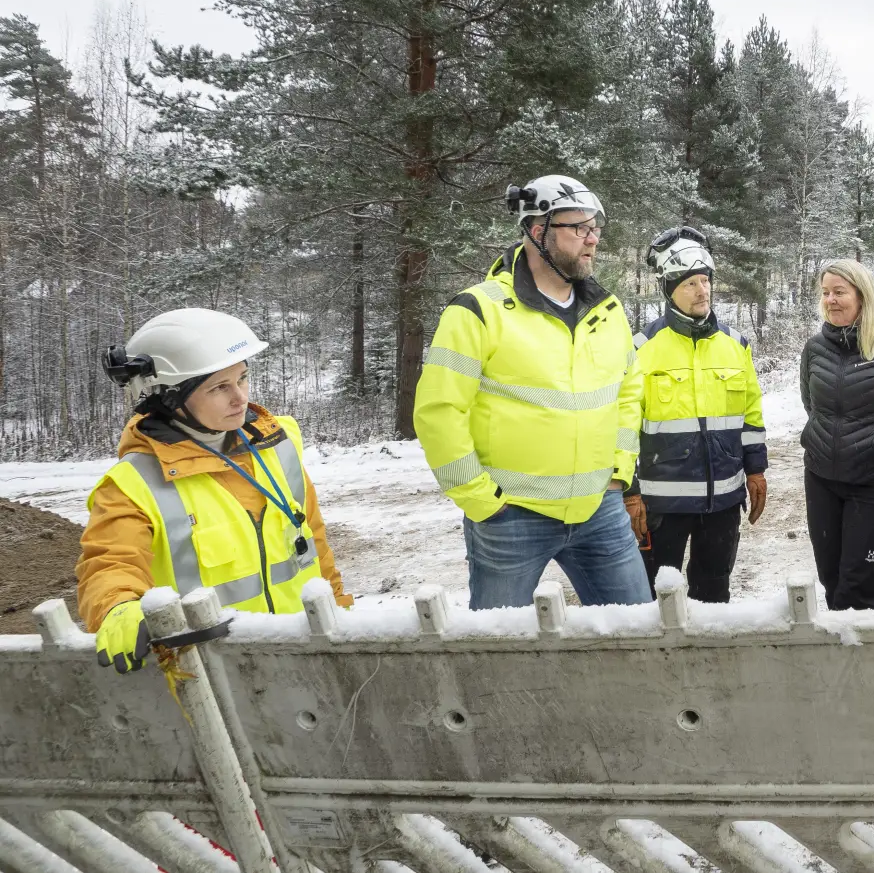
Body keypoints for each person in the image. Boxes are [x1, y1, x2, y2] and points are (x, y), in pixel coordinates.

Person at [413, 175, 649, 610]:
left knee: (637, 633)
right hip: (511, 519)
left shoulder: (608, 310)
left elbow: (628, 394)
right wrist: (481, 501)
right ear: (539, 231)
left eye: (595, 227)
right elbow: (439, 411)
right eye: (579, 228)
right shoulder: (478, 310)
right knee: (500, 644)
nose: (593, 239)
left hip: (600, 509)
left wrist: (619, 473)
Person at [79, 309, 352, 674]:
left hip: (306, 655)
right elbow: (110, 563)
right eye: (219, 387)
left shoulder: (277, 447)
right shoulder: (132, 485)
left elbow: (314, 545)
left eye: (242, 378)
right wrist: (117, 606)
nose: (240, 398)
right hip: (213, 675)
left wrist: (340, 612)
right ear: (169, 398)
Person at [628, 226, 768, 602]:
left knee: (714, 596)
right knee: (659, 601)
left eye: (705, 280)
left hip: (723, 502)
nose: (702, 290)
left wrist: (756, 469)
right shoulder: (640, 349)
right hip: (660, 507)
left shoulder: (735, 345)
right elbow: (622, 426)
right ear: (669, 289)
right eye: (690, 283)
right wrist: (630, 490)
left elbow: (750, 416)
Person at [799, 259, 874, 610]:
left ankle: (858, 642)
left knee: (859, 585)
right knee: (831, 577)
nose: (830, 300)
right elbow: (811, 405)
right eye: (825, 293)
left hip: (873, 483)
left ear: (862, 295)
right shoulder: (814, 348)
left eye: (839, 292)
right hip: (821, 479)